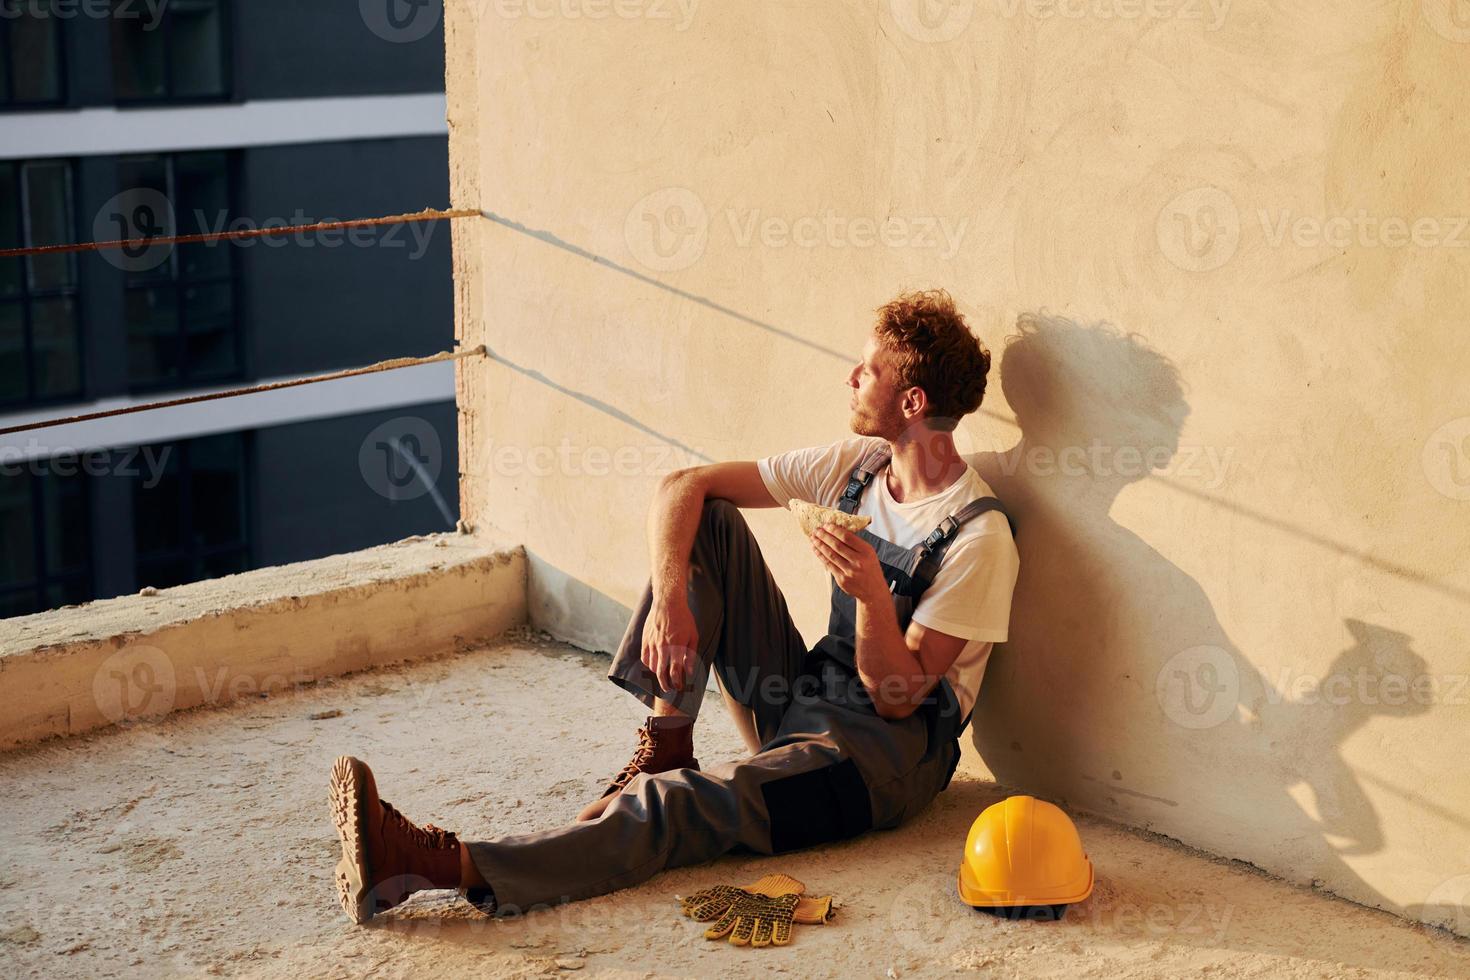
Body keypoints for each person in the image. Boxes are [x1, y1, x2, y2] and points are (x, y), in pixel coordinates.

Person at [329, 288, 1021, 923]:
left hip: (875, 765)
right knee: (710, 523)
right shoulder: (860, 464)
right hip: (802, 699)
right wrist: (671, 602)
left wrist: (871, 593)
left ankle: (435, 865)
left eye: (867, 371)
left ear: (912, 402)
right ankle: (666, 744)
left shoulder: (976, 536)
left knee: (676, 810)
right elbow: (685, 486)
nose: (850, 378)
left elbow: (900, 699)